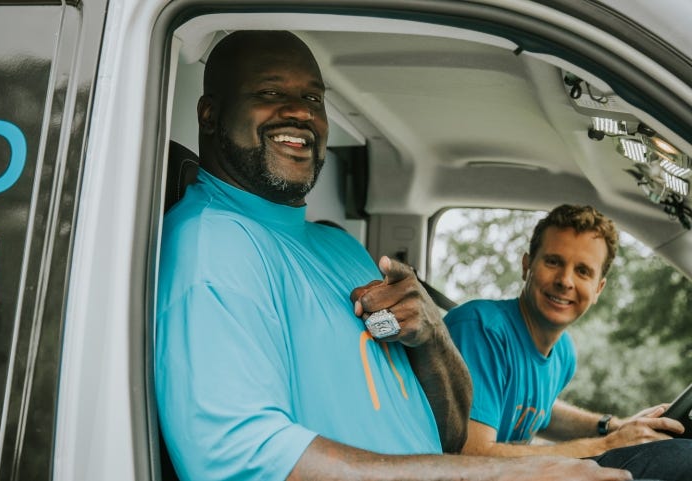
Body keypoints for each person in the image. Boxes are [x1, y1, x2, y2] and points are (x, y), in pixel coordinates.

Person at [155, 30, 635, 481]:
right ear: (209, 114)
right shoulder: (213, 245)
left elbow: (450, 436)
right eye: (269, 92)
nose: (299, 113)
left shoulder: (339, 246)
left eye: (313, 99)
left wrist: (432, 338)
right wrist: (511, 473)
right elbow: (241, 458)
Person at [444, 203, 692, 480]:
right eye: (553, 262)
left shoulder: (563, 353)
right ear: (527, 266)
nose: (565, 280)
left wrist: (615, 427)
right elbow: (471, 456)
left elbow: (539, 413)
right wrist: (607, 445)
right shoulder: (481, 328)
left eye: (583, 271)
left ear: (598, 288)